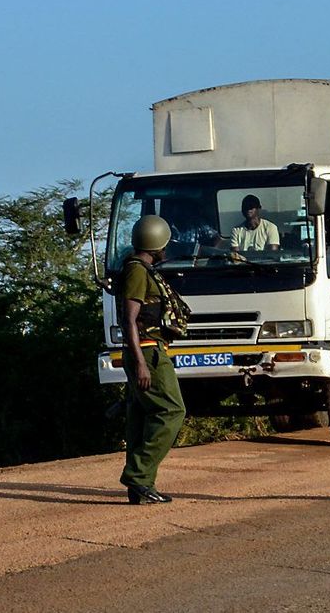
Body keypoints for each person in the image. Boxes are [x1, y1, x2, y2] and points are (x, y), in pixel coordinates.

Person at [118, 215, 188, 505]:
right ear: (157, 243)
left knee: (141, 416)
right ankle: (138, 474)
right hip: (147, 351)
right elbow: (129, 320)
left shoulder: (142, 269)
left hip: (146, 351)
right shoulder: (137, 272)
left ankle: (141, 486)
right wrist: (141, 362)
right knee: (172, 411)